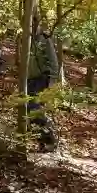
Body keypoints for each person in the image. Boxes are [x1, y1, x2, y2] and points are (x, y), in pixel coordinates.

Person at [25, 13, 60, 152]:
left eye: (34, 22)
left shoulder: (44, 39)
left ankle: (50, 139)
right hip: (29, 79)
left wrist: (52, 82)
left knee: (35, 110)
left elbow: (54, 62)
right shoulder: (26, 38)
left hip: (42, 79)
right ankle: (42, 142)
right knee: (29, 110)